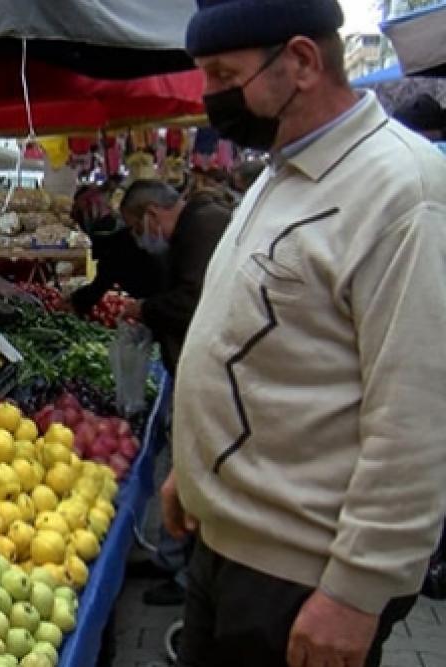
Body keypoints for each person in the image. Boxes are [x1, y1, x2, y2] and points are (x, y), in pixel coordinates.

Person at [167, 2, 446, 666]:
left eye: (222, 73)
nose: (209, 96)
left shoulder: (402, 190)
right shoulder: (280, 173)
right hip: (225, 546)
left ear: (300, 61)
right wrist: (196, 469)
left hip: (298, 578)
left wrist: (357, 590)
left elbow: (417, 412)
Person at [115, 180, 231, 606]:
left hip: (207, 373)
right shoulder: (196, 225)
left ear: (152, 214)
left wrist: (145, 309)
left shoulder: (204, 227)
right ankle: (170, 558)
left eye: (135, 227)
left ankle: (186, 575)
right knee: (179, 464)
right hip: (187, 365)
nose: (139, 238)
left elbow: (193, 302)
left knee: (195, 469)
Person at [68, 184, 164, 315]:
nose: (135, 232)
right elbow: (102, 281)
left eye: (137, 227)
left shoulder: (164, 245)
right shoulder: (122, 242)